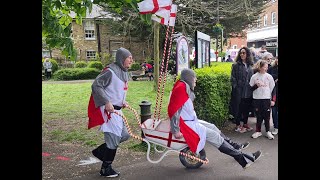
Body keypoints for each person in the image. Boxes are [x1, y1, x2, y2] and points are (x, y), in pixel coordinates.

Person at [168, 68, 262, 169]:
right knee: (215, 137)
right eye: (194, 77)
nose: (195, 80)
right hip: (187, 125)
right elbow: (174, 111)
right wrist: (176, 130)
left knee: (213, 127)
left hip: (190, 122)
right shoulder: (181, 88)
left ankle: (236, 147)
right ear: (188, 78)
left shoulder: (183, 87)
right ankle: (244, 160)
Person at [87, 47, 133, 177]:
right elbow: (96, 85)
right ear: (122, 58)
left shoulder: (123, 72)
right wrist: (107, 102)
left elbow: (117, 89)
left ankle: (101, 152)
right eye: (129, 57)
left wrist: (122, 102)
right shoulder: (110, 71)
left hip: (117, 110)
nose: (131, 60)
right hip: (109, 112)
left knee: (125, 135)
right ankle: (105, 168)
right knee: (113, 139)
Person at [230, 47, 254, 133]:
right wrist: (236, 87)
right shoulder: (236, 65)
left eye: (244, 53)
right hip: (239, 90)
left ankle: (245, 123)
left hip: (248, 90)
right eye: (241, 53)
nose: (242, 54)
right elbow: (232, 78)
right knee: (238, 108)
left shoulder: (251, 65)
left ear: (247, 54)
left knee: (246, 108)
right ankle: (237, 125)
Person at [250, 60, 275, 140]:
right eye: (265, 67)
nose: (266, 68)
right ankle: (258, 131)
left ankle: (268, 131)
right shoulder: (254, 76)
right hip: (257, 99)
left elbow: (272, 88)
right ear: (260, 67)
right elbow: (250, 88)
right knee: (259, 116)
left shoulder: (269, 76)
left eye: (267, 67)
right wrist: (256, 86)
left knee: (267, 116)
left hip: (266, 99)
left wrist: (272, 99)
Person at [268, 56, 278, 135]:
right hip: (274, 92)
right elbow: (268, 77)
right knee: (274, 111)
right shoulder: (271, 68)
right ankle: (276, 127)